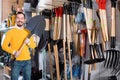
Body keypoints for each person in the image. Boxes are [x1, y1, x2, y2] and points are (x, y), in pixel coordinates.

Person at [2, 12, 38, 80]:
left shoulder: (28, 32)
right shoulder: (10, 32)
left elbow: (33, 46)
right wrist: (14, 52)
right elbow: (4, 46)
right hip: (16, 61)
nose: (20, 20)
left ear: (24, 20)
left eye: (22, 18)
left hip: (27, 61)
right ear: (15, 20)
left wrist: (29, 42)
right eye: (18, 18)